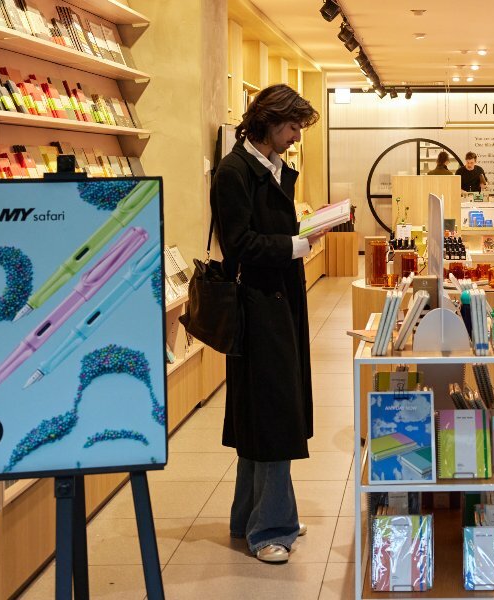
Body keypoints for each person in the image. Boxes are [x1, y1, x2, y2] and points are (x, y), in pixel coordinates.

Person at [210, 83, 324, 564]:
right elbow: (238, 244)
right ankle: (271, 529)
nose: (297, 135)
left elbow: (269, 231)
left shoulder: (271, 168)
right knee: (273, 413)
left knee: (262, 411)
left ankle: (246, 517)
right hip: (257, 308)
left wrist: (305, 230)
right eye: (293, 125)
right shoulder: (234, 173)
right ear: (270, 121)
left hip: (280, 304)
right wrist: (297, 245)